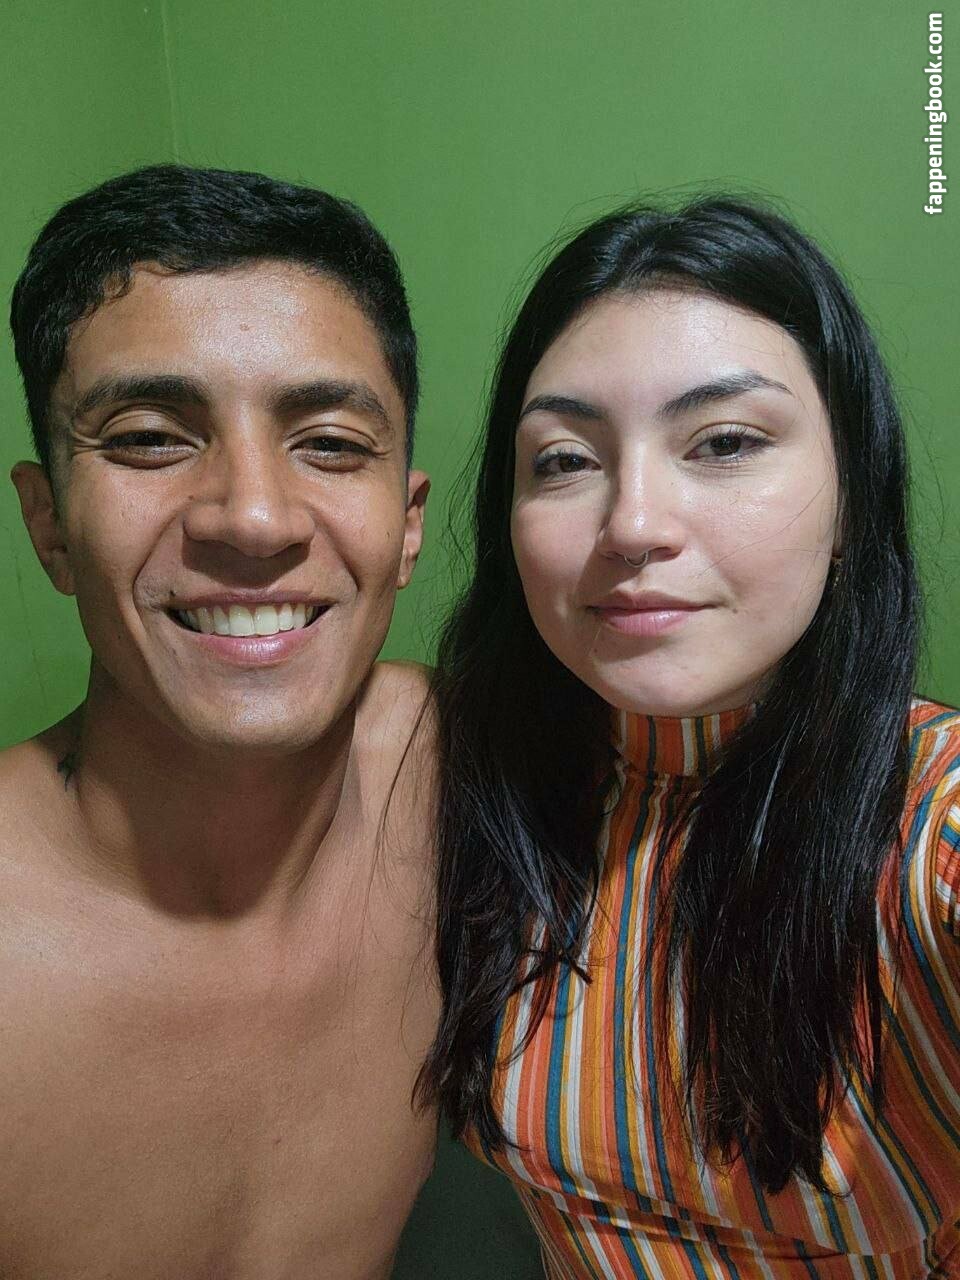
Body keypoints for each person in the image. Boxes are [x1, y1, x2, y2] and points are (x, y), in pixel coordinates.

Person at [422, 198, 960, 1278]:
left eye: (724, 442)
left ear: (853, 498)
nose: (632, 524)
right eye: (564, 460)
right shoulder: (461, 779)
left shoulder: (928, 818)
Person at [2, 164, 436, 1279]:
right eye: (150, 437)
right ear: (48, 525)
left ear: (407, 523)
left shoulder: (462, 774)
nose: (252, 516)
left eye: (331, 443)